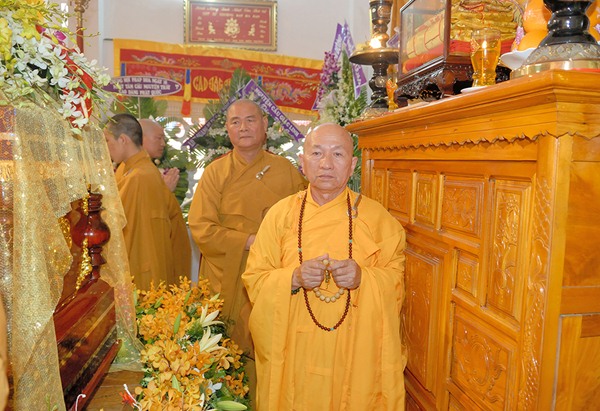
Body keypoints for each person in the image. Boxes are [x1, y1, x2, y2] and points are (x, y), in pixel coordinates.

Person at [242, 123, 407, 410]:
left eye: (338, 154)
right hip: (294, 350)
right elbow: (255, 278)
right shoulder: (280, 216)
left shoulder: (377, 219)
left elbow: (395, 280)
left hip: (354, 352)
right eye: (317, 153)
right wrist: (293, 278)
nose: (326, 164)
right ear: (302, 162)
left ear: (352, 164)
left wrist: (363, 277)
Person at [188, 99, 307, 392]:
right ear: (227, 129)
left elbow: (304, 221)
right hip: (227, 274)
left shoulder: (286, 171)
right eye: (235, 122)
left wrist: (272, 246)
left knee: (269, 343)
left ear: (265, 125)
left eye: (250, 120)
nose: (243, 127)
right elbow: (201, 227)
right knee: (225, 350)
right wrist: (248, 241)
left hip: (271, 273)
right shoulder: (215, 172)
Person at [104, 113, 191, 290]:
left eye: (107, 141)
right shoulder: (135, 170)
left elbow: (117, 224)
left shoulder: (139, 176)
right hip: (147, 262)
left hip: (141, 266)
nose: (105, 147)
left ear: (123, 140)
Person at [139, 118, 180, 192]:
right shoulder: (136, 170)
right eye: (159, 138)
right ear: (141, 138)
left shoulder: (148, 167)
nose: (163, 144)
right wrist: (165, 189)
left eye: (163, 139)